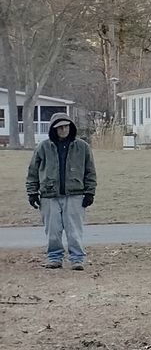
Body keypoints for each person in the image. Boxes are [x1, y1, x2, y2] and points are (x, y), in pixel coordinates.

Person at [26, 113, 96, 270]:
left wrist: (90, 192)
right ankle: (54, 257)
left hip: (75, 194)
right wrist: (32, 192)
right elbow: (33, 171)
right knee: (52, 230)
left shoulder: (82, 147)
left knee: (74, 230)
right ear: (53, 129)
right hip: (49, 195)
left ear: (70, 127)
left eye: (66, 126)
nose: (64, 129)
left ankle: (77, 259)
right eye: (60, 127)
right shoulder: (43, 147)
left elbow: (90, 172)